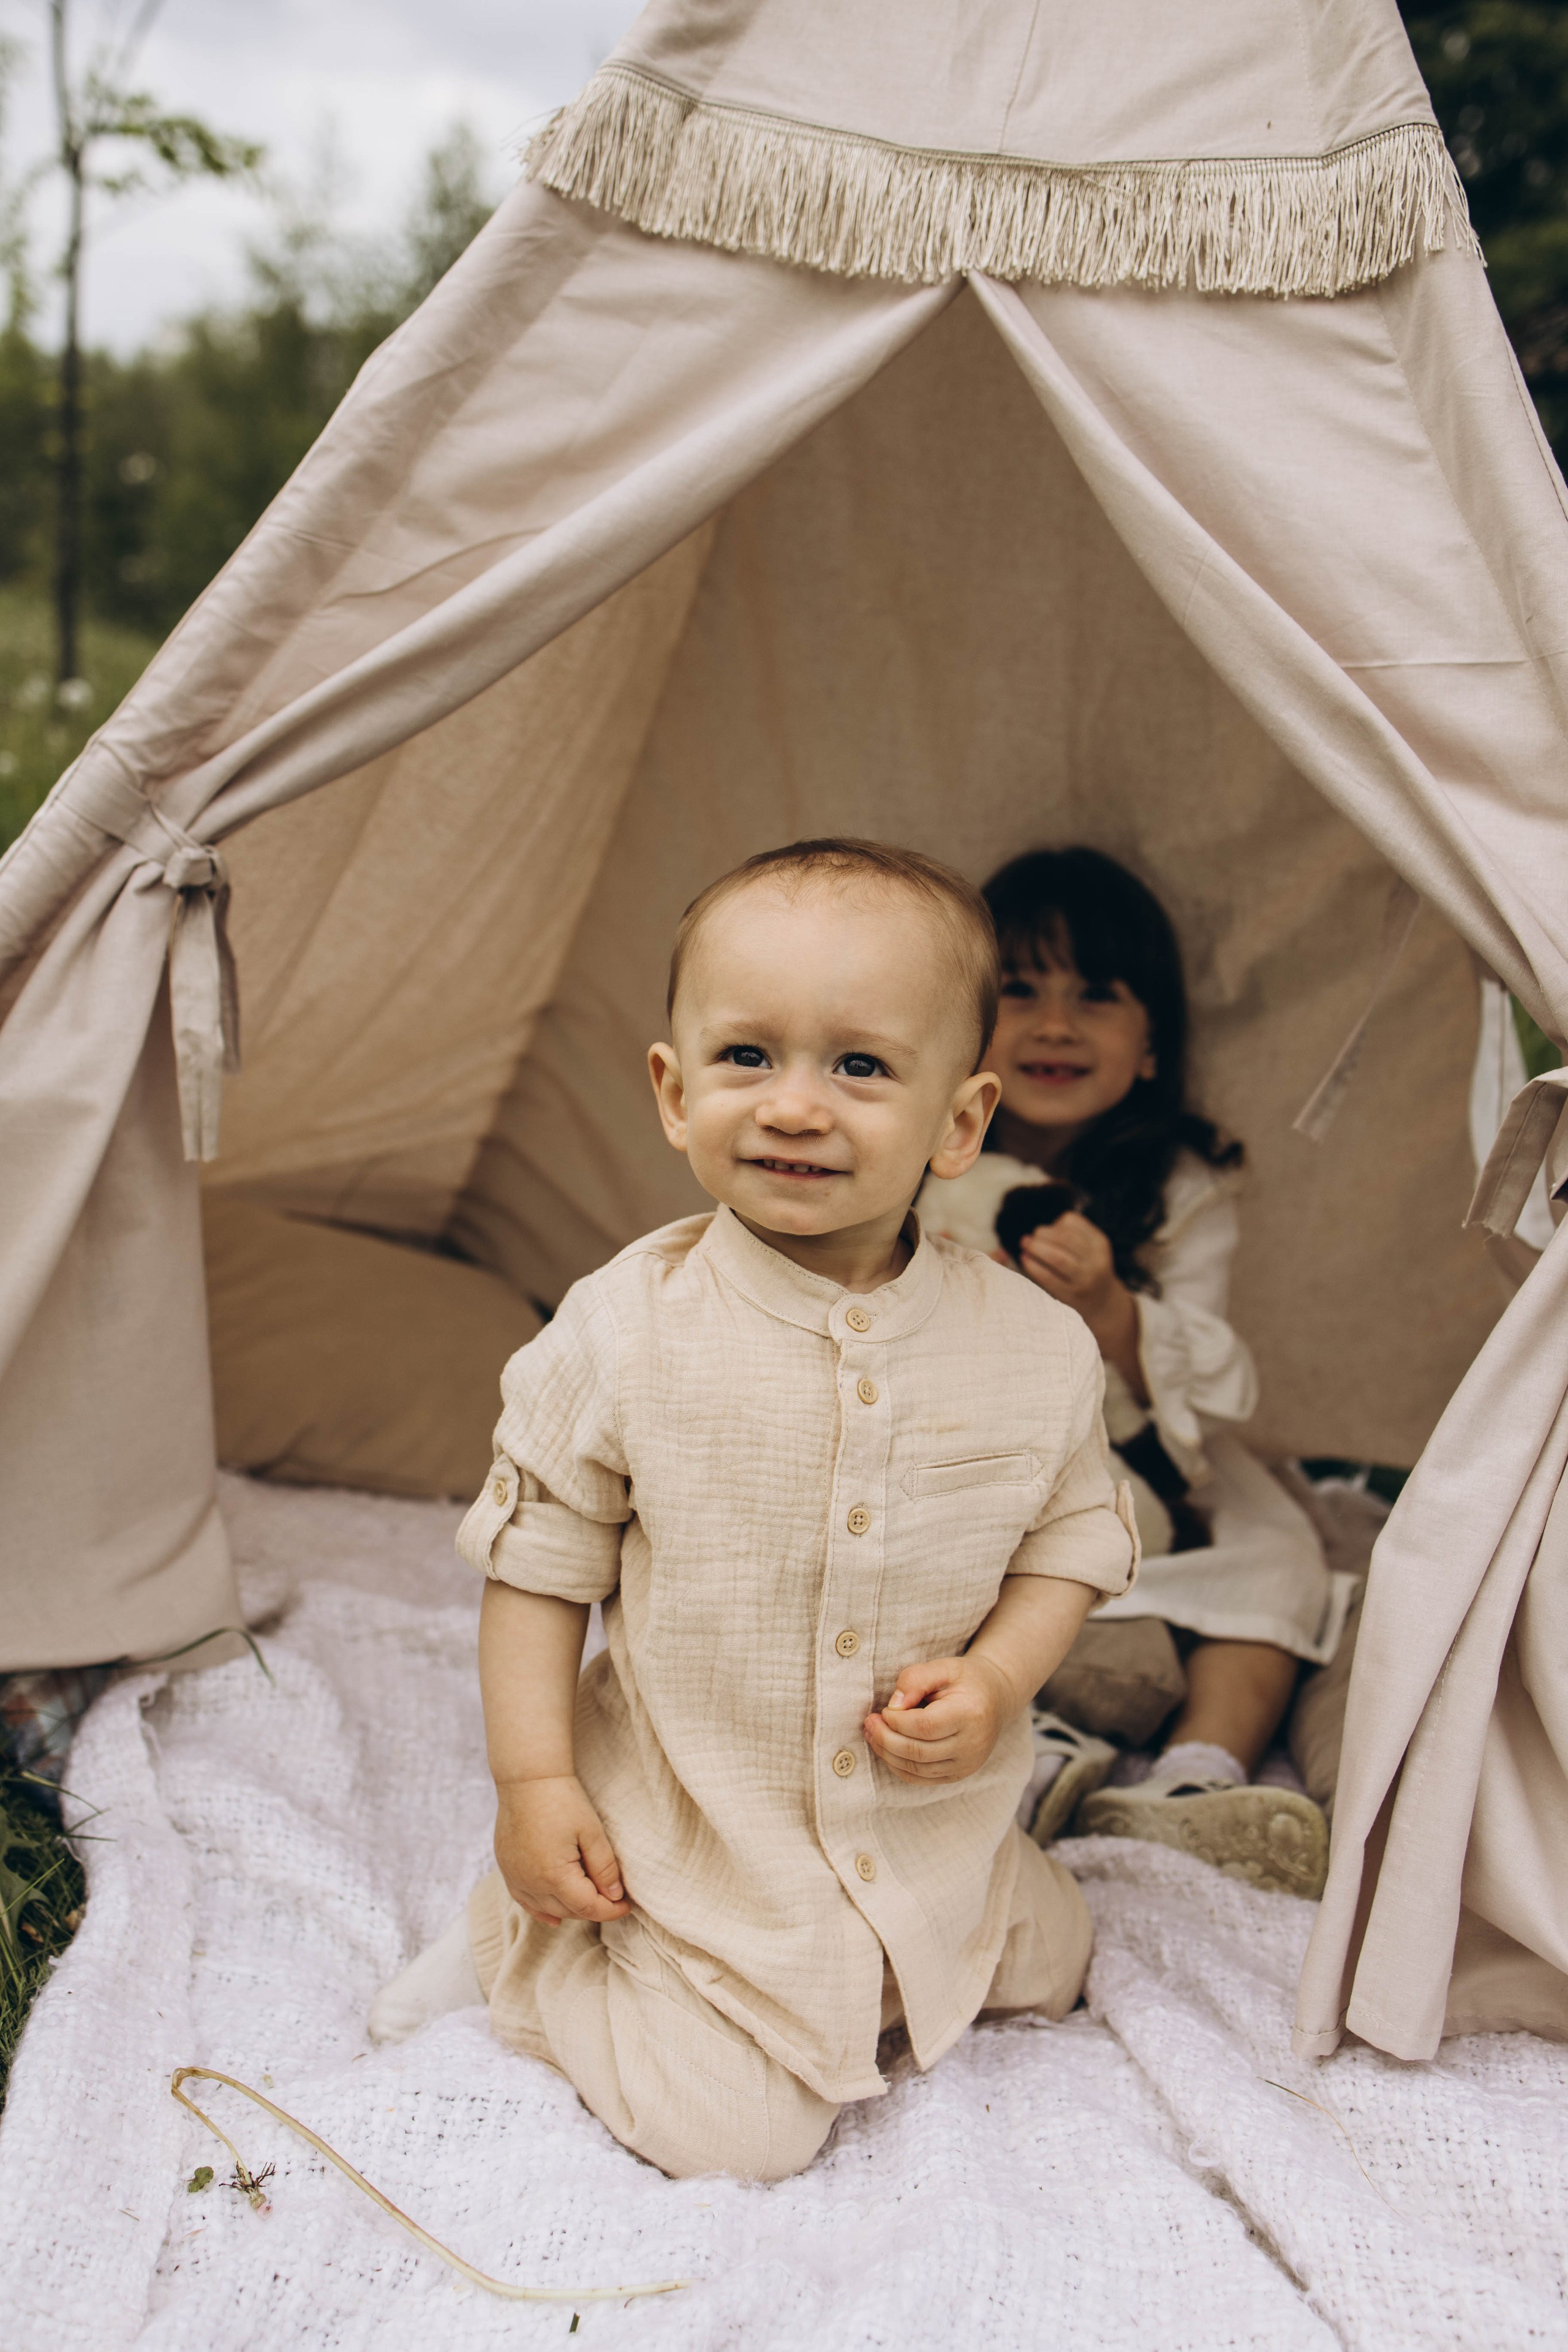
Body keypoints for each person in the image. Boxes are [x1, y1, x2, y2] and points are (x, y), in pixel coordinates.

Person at [369, 838, 1137, 2182]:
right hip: (705, 1842)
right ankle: (526, 1949)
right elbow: (537, 1569)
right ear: (675, 1093)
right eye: (747, 1057)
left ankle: (943, 1920)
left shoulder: (1032, 1348)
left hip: (930, 1833)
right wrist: (534, 1784)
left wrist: (1000, 1679)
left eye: (860, 1067)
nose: (794, 1107)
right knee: (740, 2138)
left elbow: (1069, 1538)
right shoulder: (626, 1331)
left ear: (960, 1124)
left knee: (1058, 1965)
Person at [919, 848, 1354, 1899]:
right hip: (962, 1454)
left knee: (1281, 1559)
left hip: (1140, 1457)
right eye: (1021, 991)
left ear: (1152, 1045)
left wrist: (1112, 1307)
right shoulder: (922, 1151)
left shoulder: (1185, 1183)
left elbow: (1209, 1377)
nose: (1054, 1026)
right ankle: (1036, 1743)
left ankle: (1199, 1775)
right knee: (932, 1568)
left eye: (1096, 997)